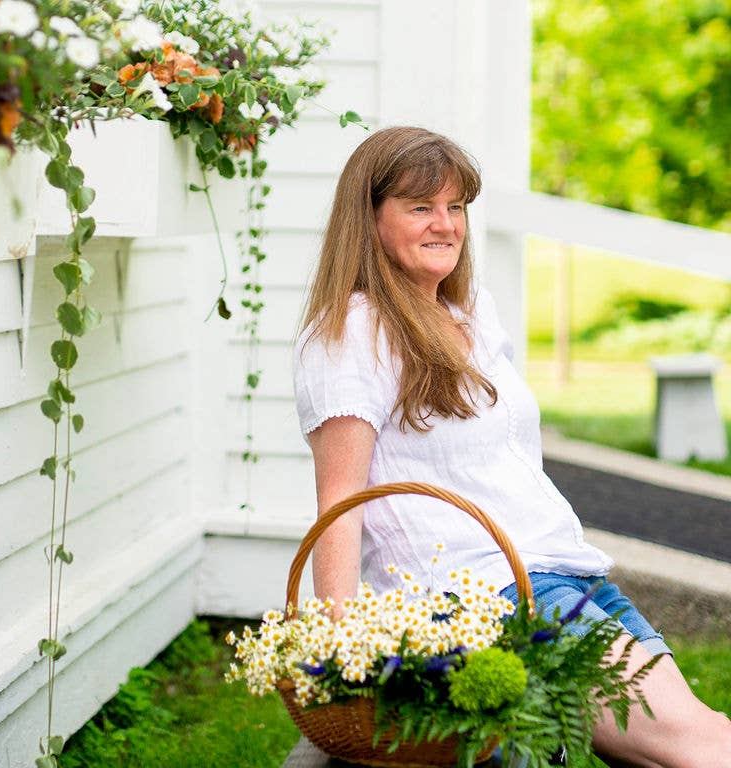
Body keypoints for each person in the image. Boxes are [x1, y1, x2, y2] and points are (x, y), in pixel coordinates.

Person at [291, 126, 731, 767]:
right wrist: (343, 643)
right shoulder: (354, 332)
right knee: (704, 746)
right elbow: (341, 495)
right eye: (420, 207)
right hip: (476, 597)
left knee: (688, 742)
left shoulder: (469, 313)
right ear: (369, 218)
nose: (445, 224)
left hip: (558, 571)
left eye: (456, 206)